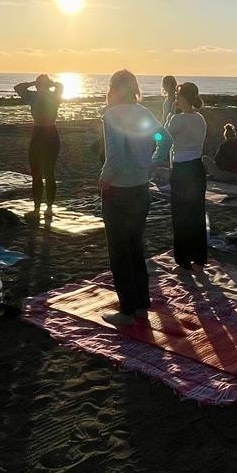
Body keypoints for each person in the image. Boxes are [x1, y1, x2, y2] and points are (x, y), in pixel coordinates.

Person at [99, 69, 160, 324]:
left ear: (114, 88)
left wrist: (104, 177)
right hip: (141, 188)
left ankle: (127, 310)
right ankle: (140, 304)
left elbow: (115, 153)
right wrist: (150, 162)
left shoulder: (111, 114)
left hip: (119, 190)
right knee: (135, 246)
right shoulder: (144, 113)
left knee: (119, 251)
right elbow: (162, 138)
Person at [166, 82, 209, 270]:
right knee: (197, 214)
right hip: (197, 168)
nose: (175, 99)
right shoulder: (200, 118)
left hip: (182, 169)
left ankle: (183, 260)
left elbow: (162, 138)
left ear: (183, 98)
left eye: (177, 96)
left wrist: (168, 119)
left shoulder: (178, 119)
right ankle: (199, 259)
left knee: (181, 216)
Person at [15, 74, 63, 217]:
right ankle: (44, 208)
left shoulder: (34, 96)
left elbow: (18, 88)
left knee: (43, 173)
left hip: (42, 134)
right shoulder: (53, 95)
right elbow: (60, 86)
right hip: (49, 134)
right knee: (44, 173)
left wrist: (33, 83)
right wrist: (50, 84)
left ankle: (43, 208)